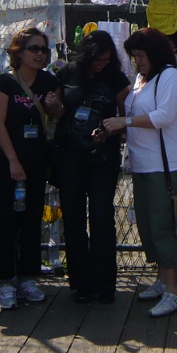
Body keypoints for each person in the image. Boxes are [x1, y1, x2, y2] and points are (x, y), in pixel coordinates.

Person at [102, 27, 177, 317]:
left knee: (164, 225)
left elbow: (163, 116)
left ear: (155, 53)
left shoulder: (170, 76)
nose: (137, 61)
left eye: (141, 55)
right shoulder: (143, 78)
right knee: (149, 224)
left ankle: (174, 290)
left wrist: (123, 122)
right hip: (143, 164)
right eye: (134, 56)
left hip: (167, 166)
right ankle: (162, 281)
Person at [0, 27, 63, 311]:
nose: (40, 54)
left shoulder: (48, 81)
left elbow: (57, 119)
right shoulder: (3, 83)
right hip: (8, 164)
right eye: (34, 49)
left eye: (44, 49)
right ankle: (5, 281)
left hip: (37, 162)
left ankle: (28, 277)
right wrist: (12, 161)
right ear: (18, 52)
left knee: (32, 220)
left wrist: (55, 107)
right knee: (5, 222)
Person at [54, 30, 131, 304]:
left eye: (107, 60)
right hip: (70, 154)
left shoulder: (116, 78)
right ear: (86, 56)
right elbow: (59, 112)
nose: (101, 64)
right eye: (97, 60)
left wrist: (110, 132)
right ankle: (80, 283)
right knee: (73, 218)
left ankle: (104, 284)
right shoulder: (67, 74)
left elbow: (126, 119)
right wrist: (53, 105)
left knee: (101, 217)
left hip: (102, 156)